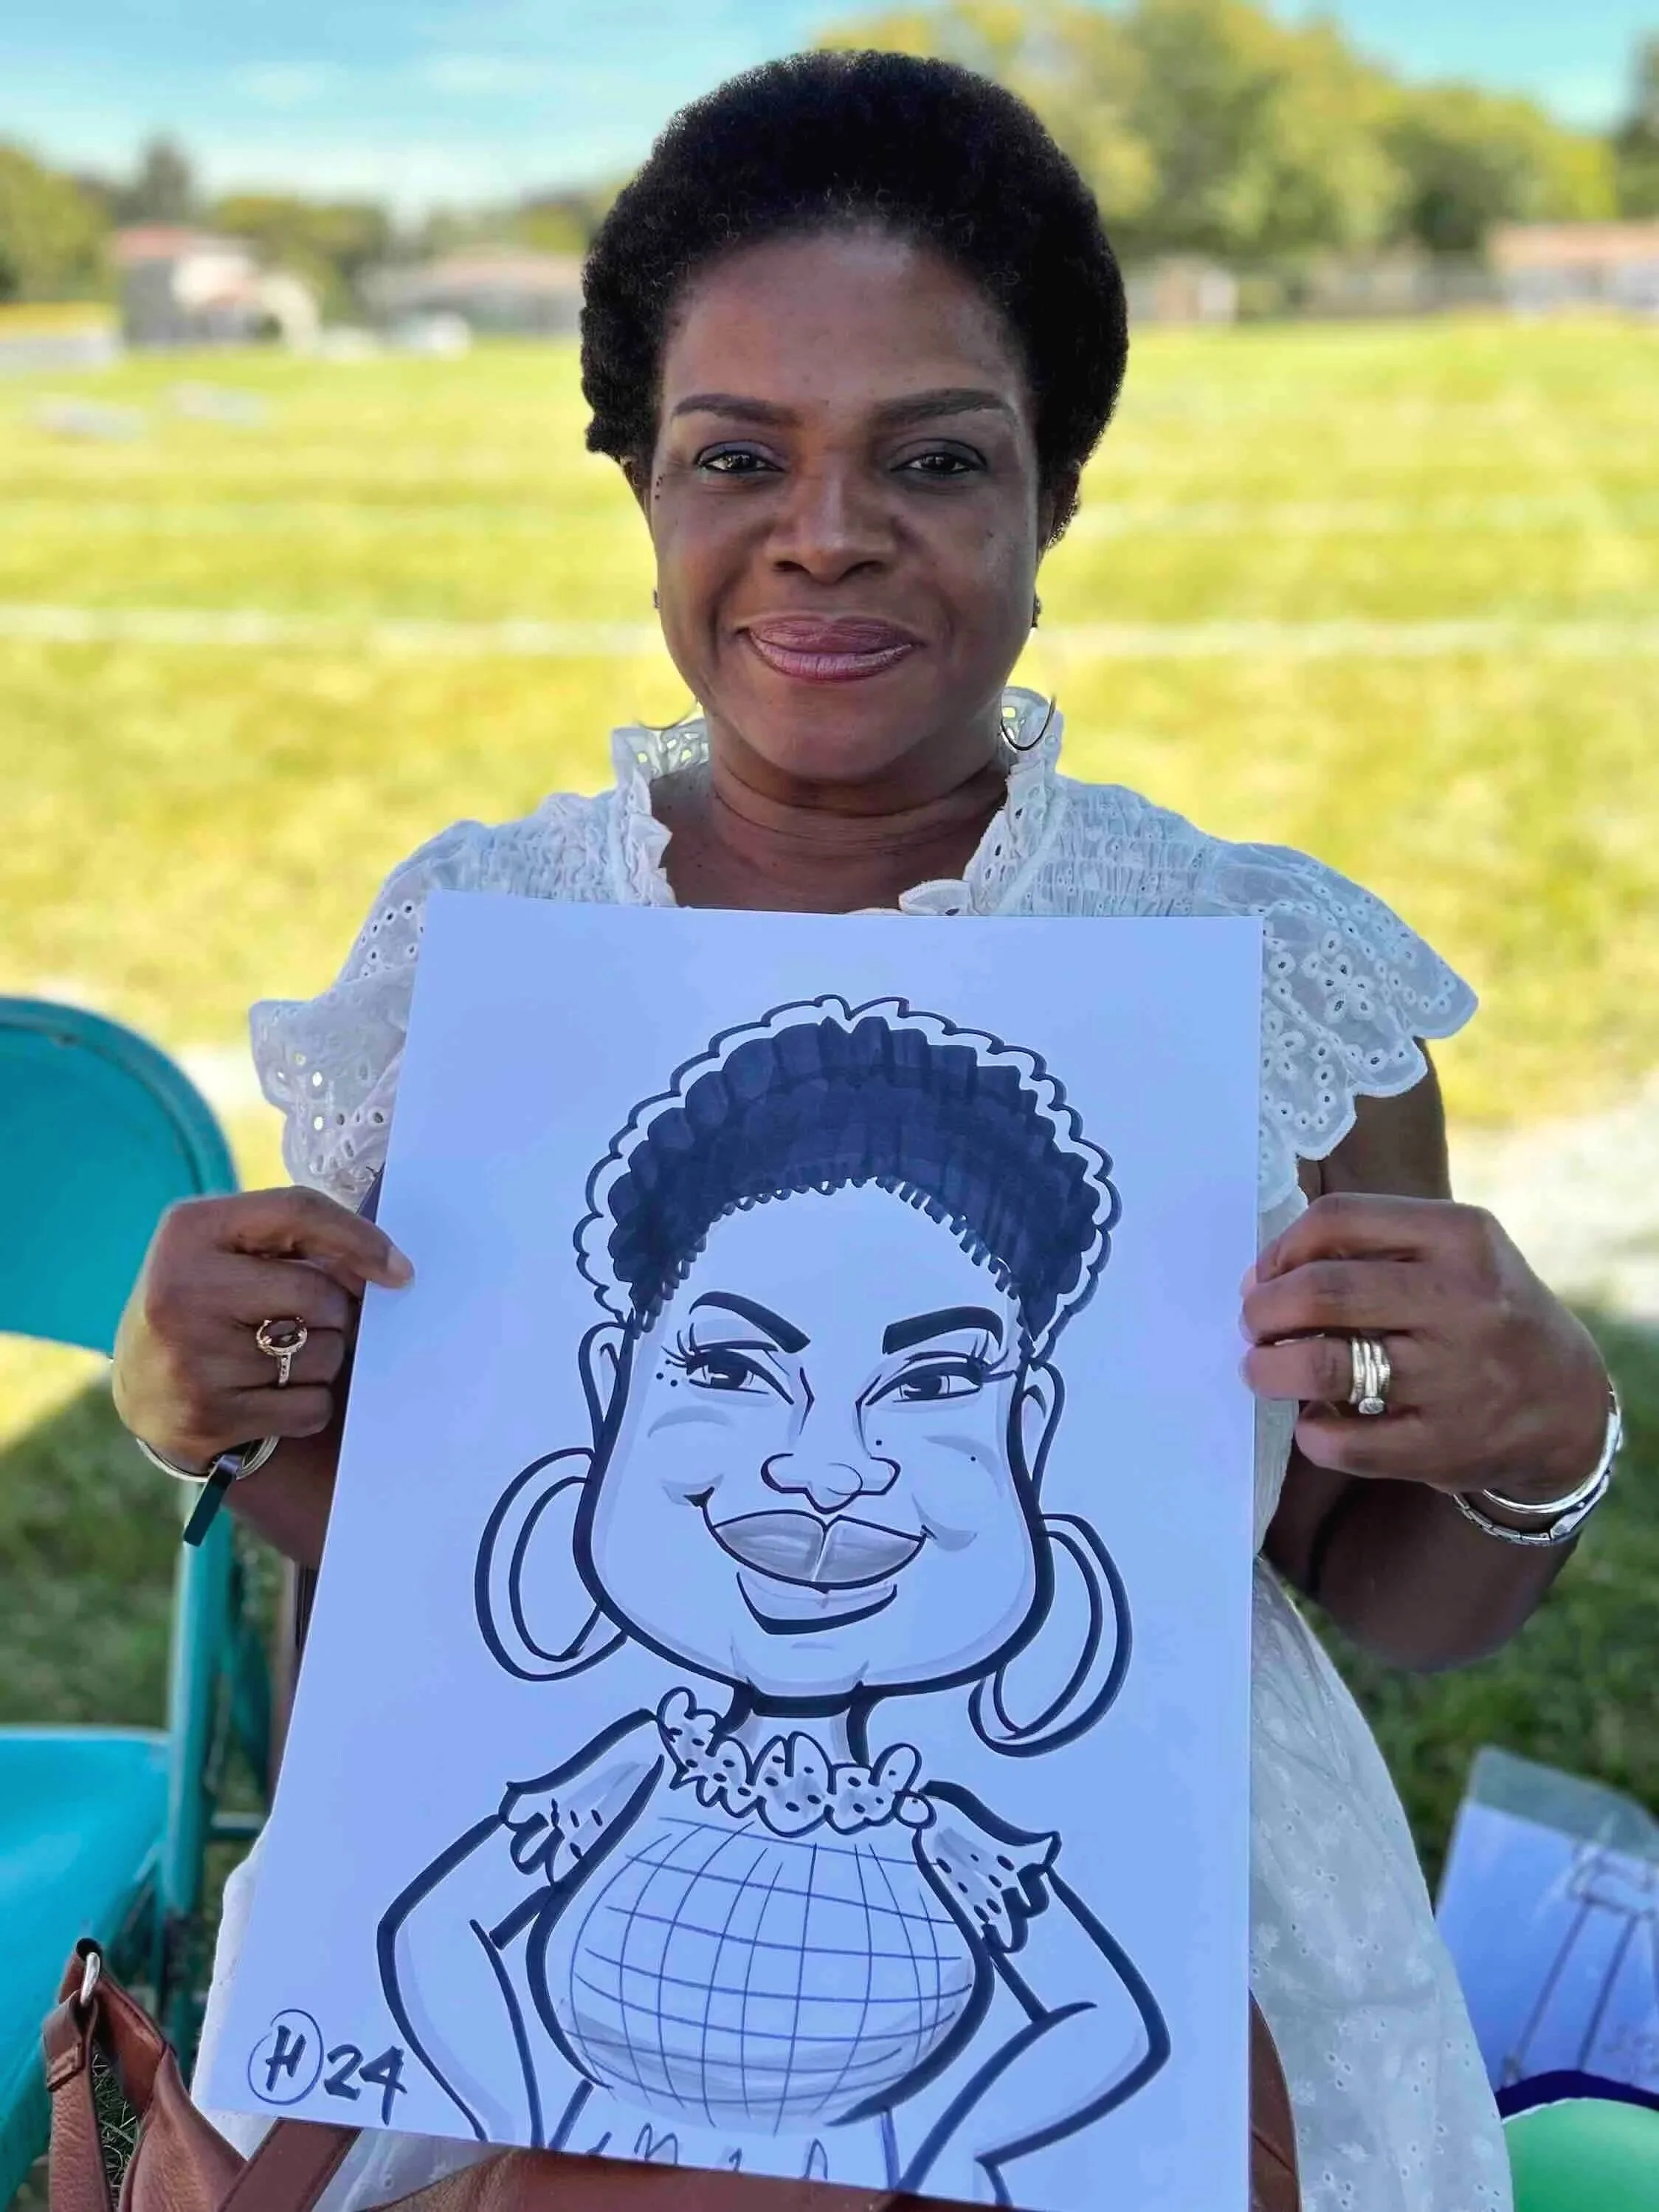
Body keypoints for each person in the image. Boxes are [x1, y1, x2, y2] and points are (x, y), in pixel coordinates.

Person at [110, 49, 1618, 2212]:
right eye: (739, 454)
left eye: (934, 456)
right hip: (509, 1912)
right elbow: (431, 1532)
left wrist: (1529, 1428)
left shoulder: (1257, 973)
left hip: (1152, 1888)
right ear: (638, 480)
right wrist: (213, 1414)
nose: (828, 529)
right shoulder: (481, 947)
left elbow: (1389, 1591)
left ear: (1054, 494)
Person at [379, 997, 1166, 2199]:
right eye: (734, 1368)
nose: (827, 1470)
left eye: (938, 1381)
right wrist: (541, 2119)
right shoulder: (627, 1776)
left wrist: (928, 2159)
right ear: (611, 1395)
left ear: (1032, 1436)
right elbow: (439, 1936)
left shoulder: (937, 1832)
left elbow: (1101, 2018)